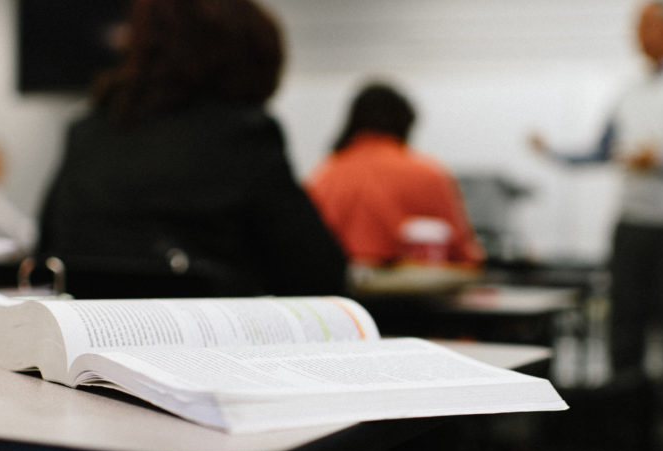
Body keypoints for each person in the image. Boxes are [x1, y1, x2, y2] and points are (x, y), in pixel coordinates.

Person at [530, 0, 663, 451]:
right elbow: (603, 150)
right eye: (635, 27)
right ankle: (625, 439)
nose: (637, 35)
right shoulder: (628, 89)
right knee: (624, 334)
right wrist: (555, 153)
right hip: (632, 228)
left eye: (645, 25)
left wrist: (662, 160)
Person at [38, 0, 346, 300]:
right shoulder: (241, 135)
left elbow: (48, 249)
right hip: (209, 347)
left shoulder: (86, 133)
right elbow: (319, 275)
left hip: (92, 341)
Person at [306, 82, 485, 291]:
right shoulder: (429, 175)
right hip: (418, 313)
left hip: (341, 307)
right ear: (405, 125)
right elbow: (466, 260)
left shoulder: (326, 175)